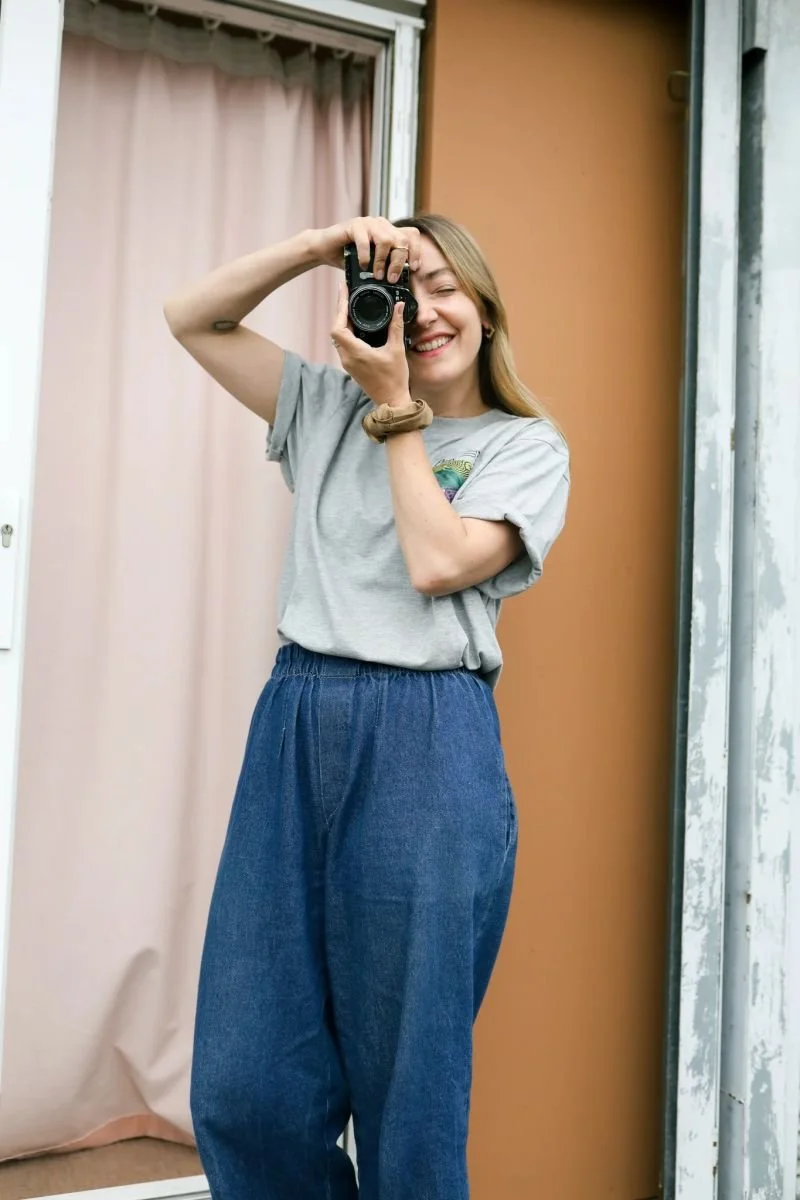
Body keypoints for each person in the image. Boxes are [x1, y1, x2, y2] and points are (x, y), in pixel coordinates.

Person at [163, 213, 570, 1200]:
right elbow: (193, 318)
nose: (422, 310)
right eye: (396, 284)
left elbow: (436, 564)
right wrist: (315, 249)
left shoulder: (525, 448)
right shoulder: (318, 406)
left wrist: (395, 410)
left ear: (482, 306)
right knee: (243, 1084)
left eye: (441, 287)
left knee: (408, 1088)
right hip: (297, 719)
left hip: (428, 739)